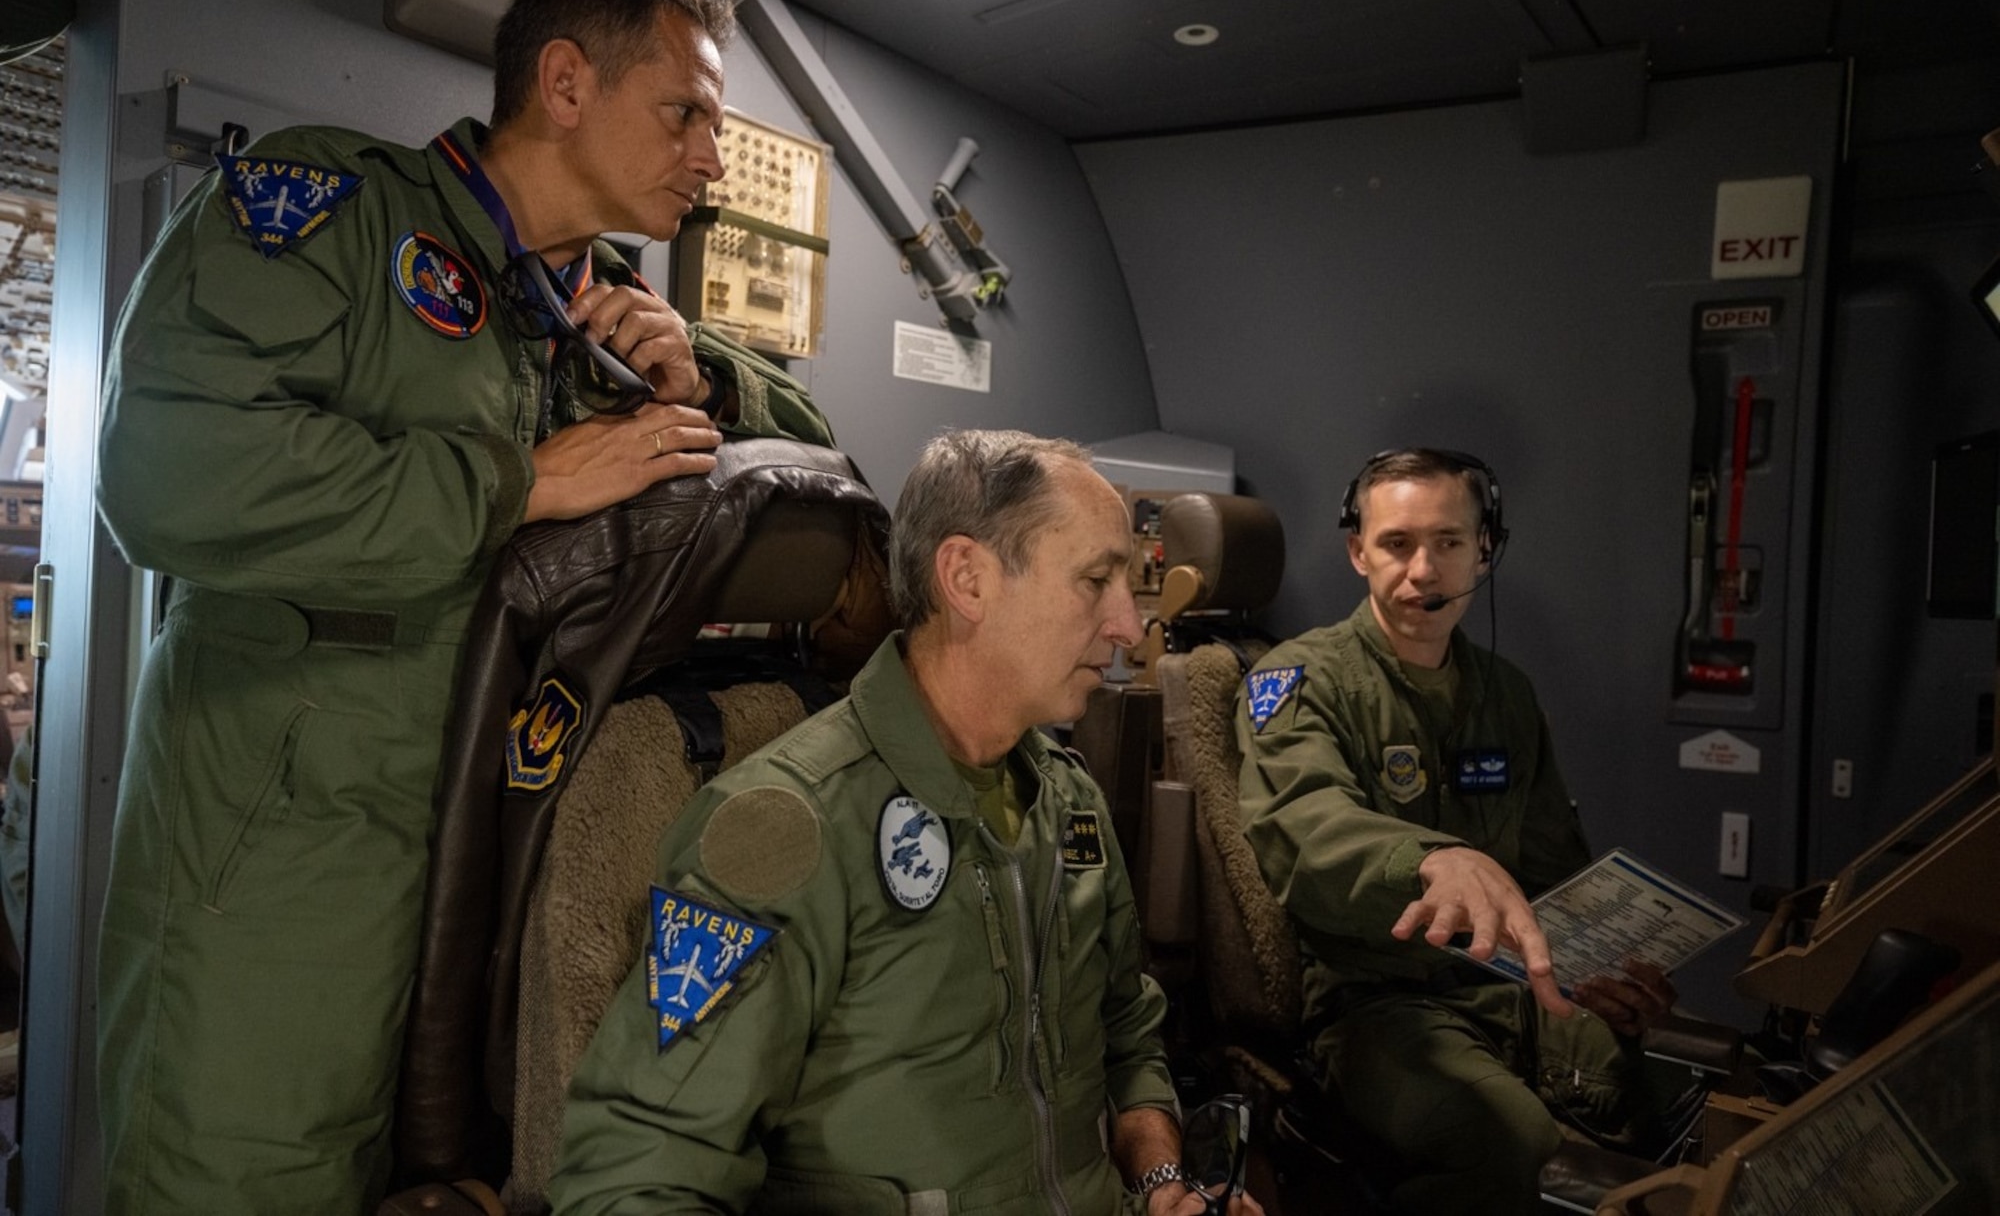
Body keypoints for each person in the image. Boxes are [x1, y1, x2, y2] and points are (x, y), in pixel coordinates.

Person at [94, 0, 833, 1215]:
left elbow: (822, 496)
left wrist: (703, 383)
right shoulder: (333, 209)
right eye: (687, 113)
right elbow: (168, 468)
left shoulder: (598, 310)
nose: (713, 156)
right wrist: (519, 480)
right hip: (284, 864)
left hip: (487, 862)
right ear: (562, 82)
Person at [551, 430, 1262, 1215]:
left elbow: (1128, 1031)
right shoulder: (785, 824)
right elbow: (640, 1169)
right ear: (967, 578)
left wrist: (1161, 1182)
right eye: (1096, 579)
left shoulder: (1067, 801)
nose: (1129, 624)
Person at [1236, 448, 1678, 1216]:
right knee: (1508, 1144)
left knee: (1661, 1089)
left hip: (1504, 988)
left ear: (1485, 548)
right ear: (1357, 551)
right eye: (1397, 543)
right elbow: (1305, 827)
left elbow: (1551, 874)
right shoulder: (1301, 679)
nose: (1422, 572)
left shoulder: (1506, 696)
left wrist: (1600, 968)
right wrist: (1436, 859)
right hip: (1371, 1002)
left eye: (1446, 543)